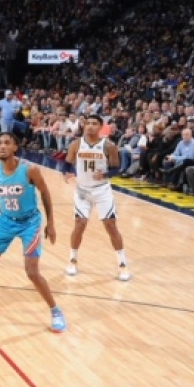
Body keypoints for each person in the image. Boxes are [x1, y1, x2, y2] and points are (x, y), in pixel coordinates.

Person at [0, 132, 67, 333]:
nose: (2, 146)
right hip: (5, 221)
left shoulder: (30, 170)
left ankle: (56, 312)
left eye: (7, 143)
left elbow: (45, 192)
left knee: (32, 272)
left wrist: (51, 223)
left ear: (15, 147)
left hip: (30, 223)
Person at [64, 114, 131, 281]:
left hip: (102, 190)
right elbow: (67, 163)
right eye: (87, 123)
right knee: (80, 224)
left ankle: (122, 263)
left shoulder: (109, 146)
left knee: (110, 226)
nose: (90, 126)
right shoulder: (76, 144)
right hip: (82, 190)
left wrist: (105, 174)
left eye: (94, 123)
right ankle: (72, 260)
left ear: (101, 127)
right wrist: (67, 172)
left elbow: (116, 169)